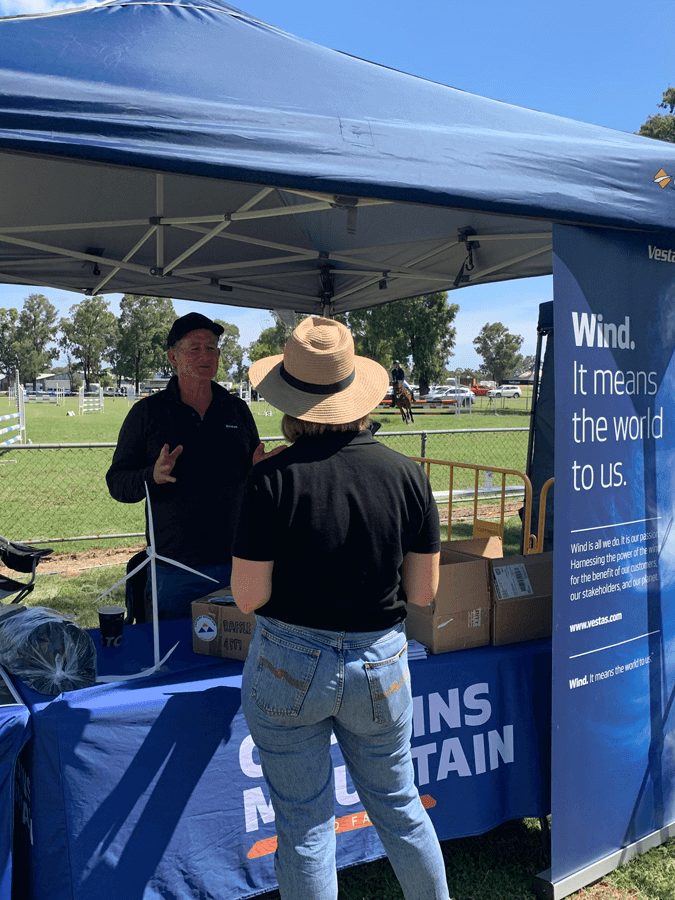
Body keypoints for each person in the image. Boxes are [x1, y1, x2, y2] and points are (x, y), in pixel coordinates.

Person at [230, 317, 448, 900]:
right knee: (402, 810)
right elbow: (423, 593)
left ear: (291, 399)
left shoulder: (268, 481)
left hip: (287, 665)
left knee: (304, 827)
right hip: (379, 662)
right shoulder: (408, 475)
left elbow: (247, 596)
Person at [106, 311, 282, 620]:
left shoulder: (237, 410)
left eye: (212, 347)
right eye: (195, 347)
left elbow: (251, 480)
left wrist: (257, 470)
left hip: (236, 564)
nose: (206, 355)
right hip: (173, 570)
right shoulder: (147, 413)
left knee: (231, 663)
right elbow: (117, 483)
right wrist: (152, 475)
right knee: (173, 661)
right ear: (172, 356)